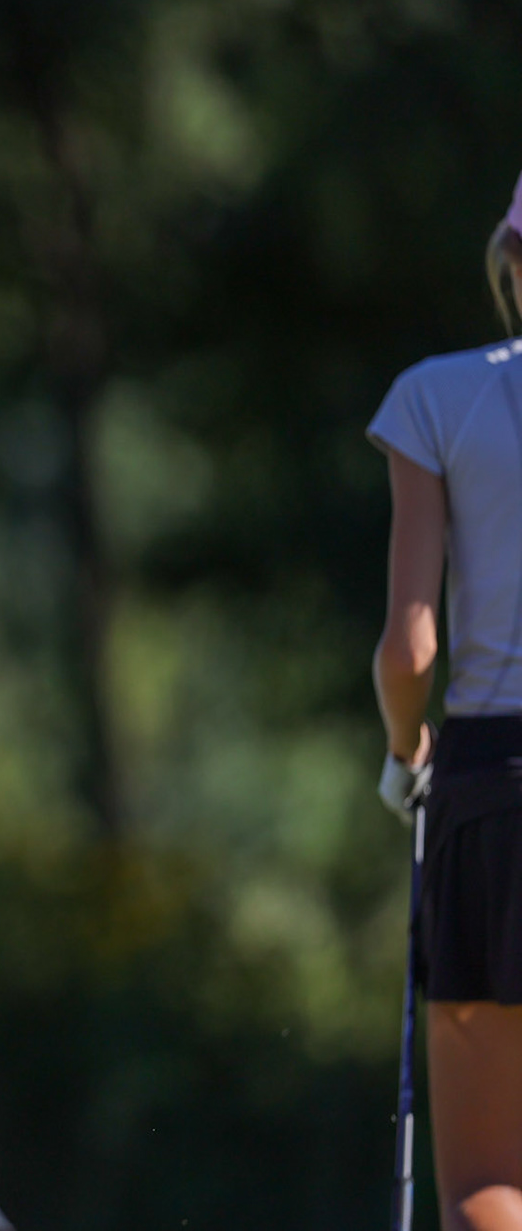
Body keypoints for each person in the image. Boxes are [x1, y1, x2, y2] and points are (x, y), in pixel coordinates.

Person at [369, 171, 522, 1231]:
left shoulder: (438, 395)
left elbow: (409, 645)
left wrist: (402, 748)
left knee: (484, 1179)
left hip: (488, 790)